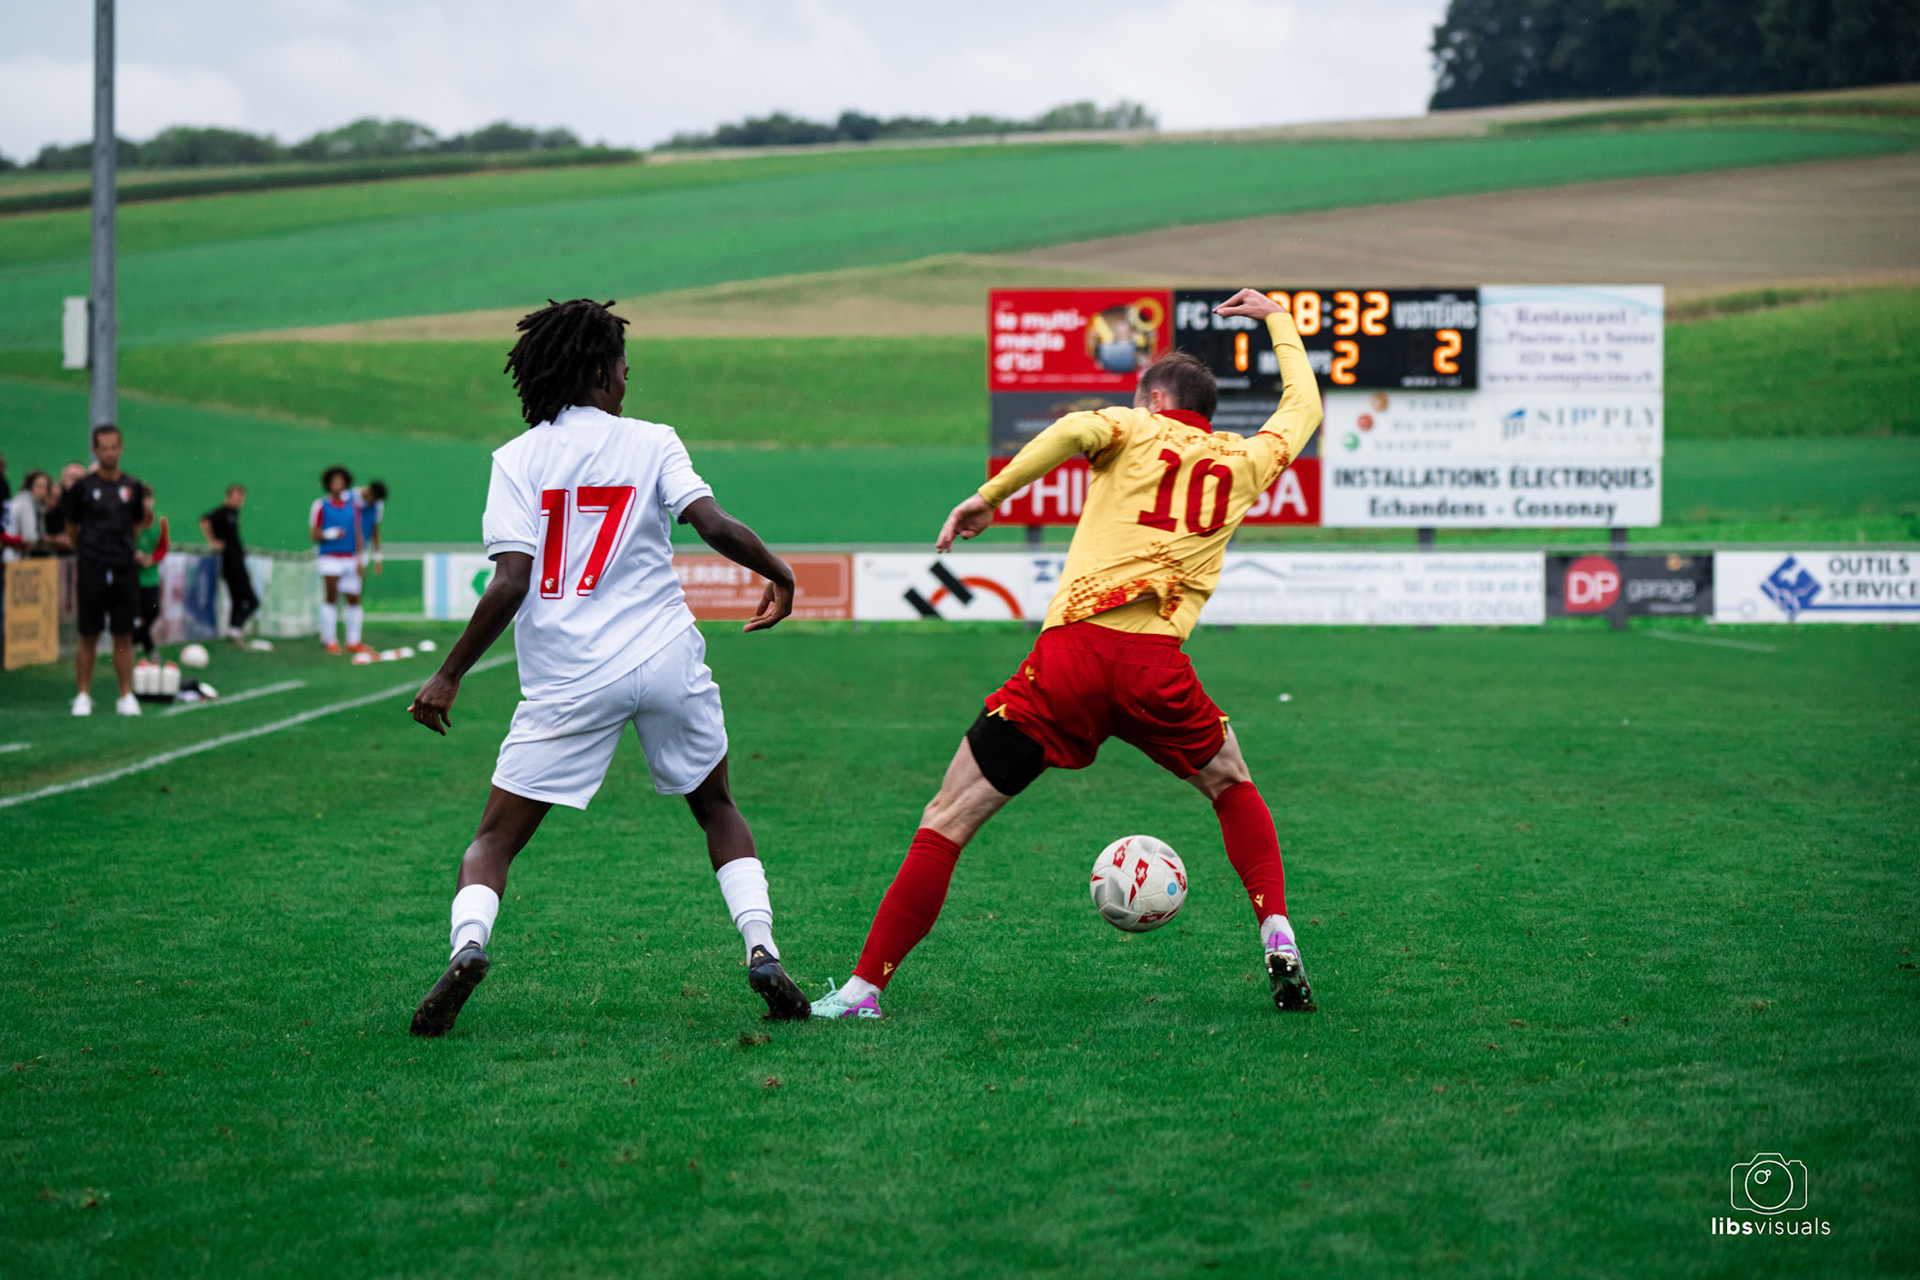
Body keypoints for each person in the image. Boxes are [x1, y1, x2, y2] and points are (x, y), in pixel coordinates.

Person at [811, 289, 1325, 1020]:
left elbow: (1077, 427)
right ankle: (1274, 926)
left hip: (1070, 662)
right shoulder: (1244, 460)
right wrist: (1277, 317)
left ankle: (864, 990)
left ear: (1152, 398)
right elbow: (1303, 409)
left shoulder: (1132, 426)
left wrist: (992, 495)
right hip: (1158, 672)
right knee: (1232, 785)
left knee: (948, 817)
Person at [403, 298, 808, 1037]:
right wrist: (780, 572)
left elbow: (510, 582)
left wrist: (450, 672)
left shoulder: (516, 459)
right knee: (715, 806)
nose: (627, 378)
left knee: (493, 839)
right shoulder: (653, 441)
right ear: (599, 369)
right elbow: (712, 524)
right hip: (663, 656)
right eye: (623, 365)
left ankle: (468, 947)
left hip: (568, 678)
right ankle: (762, 949)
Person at [55, 425, 148, 717]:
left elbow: (135, 526)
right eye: (103, 448)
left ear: (121, 449)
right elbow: (71, 527)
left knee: (123, 635)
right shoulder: (82, 488)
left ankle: (126, 696)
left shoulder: (134, 487)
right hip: (92, 566)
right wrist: (88, 550)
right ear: (95, 450)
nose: (109, 453)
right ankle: (83, 695)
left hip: (123, 568)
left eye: (113, 447)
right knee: (89, 634)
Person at [310, 466, 367, 655]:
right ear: (328, 484)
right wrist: (329, 534)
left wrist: (360, 558)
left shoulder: (353, 506)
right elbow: (314, 533)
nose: (338, 484)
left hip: (350, 558)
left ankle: (353, 641)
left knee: (353, 599)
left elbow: (358, 532)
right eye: (334, 481)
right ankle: (330, 640)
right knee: (331, 597)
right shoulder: (320, 505)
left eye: (341, 481)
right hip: (330, 557)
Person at [201, 484, 258, 640]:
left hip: (237, 560)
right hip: (231, 563)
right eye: (235, 498)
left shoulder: (234, 514)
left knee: (239, 599)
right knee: (250, 600)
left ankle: (234, 629)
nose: (238, 501)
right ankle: (236, 627)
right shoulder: (223, 512)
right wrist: (212, 541)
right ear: (228, 497)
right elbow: (204, 521)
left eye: (241, 498)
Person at [132, 491, 170, 660]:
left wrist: (151, 559)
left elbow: (163, 547)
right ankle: (149, 648)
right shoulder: (131, 521)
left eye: (148, 499)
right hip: (133, 576)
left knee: (152, 612)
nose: (146, 503)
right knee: (136, 614)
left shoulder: (160, 522)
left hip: (151, 576)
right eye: (142, 499)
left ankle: (135, 641)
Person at [3, 469, 50, 563]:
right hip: (13, 556)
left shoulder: (20, 500)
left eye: (45, 487)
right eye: (39, 487)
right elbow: (30, 537)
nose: (43, 492)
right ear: (30, 486)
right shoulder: (26, 504)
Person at [355, 479, 387, 588]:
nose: (374, 503)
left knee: (357, 587)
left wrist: (377, 557)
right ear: (369, 492)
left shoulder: (377, 506)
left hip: (361, 550)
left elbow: (375, 531)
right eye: (374, 499)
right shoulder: (349, 498)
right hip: (342, 550)